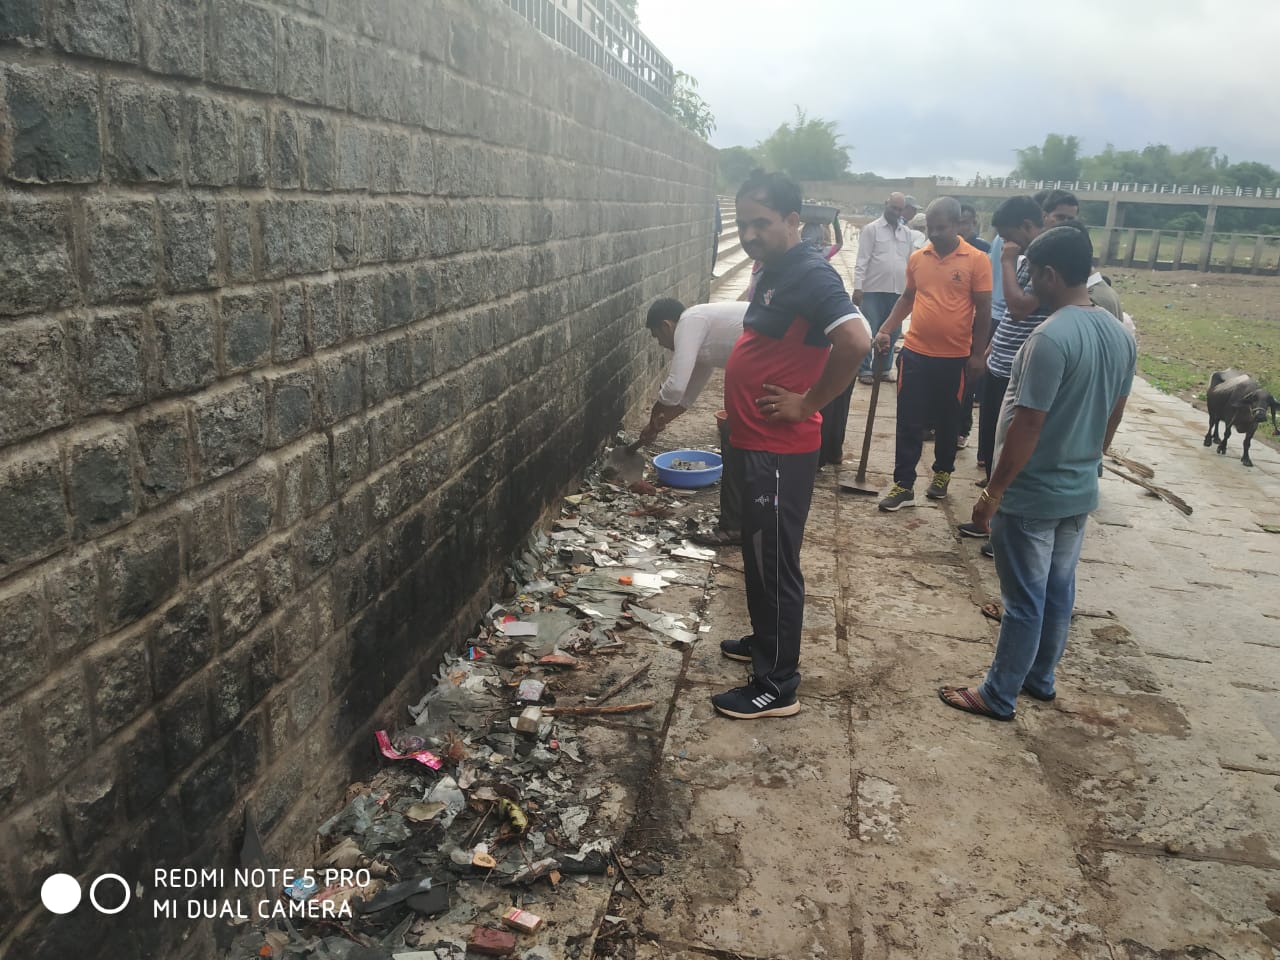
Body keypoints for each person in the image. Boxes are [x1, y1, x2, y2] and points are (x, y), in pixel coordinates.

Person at [939, 225, 1135, 721]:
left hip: (1033, 492)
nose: (1026, 287)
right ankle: (1040, 677)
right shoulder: (1119, 332)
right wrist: (1093, 458)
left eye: (1029, 275)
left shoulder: (1049, 339)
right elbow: (1116, 408)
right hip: (1078, 488)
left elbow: (1029, 422)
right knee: (1058, 588)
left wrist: (994, 490)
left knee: (1023, 598)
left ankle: (999, 693)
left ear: (1049, 274)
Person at [716, 170, 870, 720]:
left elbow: (855, 339)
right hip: (756, 440)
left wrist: (809, 402)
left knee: (775, 562)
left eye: (762, 223)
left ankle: (777, 684)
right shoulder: (777, 268)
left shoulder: (809, 272)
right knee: (759, 559)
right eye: (743, 225)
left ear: (792, 221)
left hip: (780, 449)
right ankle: (765, 642)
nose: (751, 234)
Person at [872, 198, 993, 511]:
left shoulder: (977, 260)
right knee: (908, 420)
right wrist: (885, 329)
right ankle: (904, 484)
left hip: (955, 359)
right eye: (930, 228)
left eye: (941, 228)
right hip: (915, 354)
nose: (934, 233)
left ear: (957, 225)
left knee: (948, 420)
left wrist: (978, 355)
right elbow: (908, 297)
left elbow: (984, 310)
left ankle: (942, 474)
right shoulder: (917, 258)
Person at [640, 298, 749, 545]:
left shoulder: (690, 322)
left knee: (734, 438)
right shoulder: (703, 337)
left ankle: (734, 527)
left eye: (657, 336)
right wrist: (657, 426)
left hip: (781, 358)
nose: (660, 343)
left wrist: (651, 421)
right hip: (767, 365)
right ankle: (743, 520)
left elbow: (674, 388)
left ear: (667, 325)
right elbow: (686, 398)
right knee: (736, 439)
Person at [852, 193, 912, 386]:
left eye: (899, 209)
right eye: (893, 207)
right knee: (869, 330)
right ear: (886, 205)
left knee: (893, 331)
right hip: (872, 289)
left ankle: (885, 369)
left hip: (898, 291)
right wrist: (858, 287)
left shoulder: (906, 233)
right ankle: (865, 369)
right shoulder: (872, 229)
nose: (896, 212)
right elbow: (862, 260)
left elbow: (910, 262)